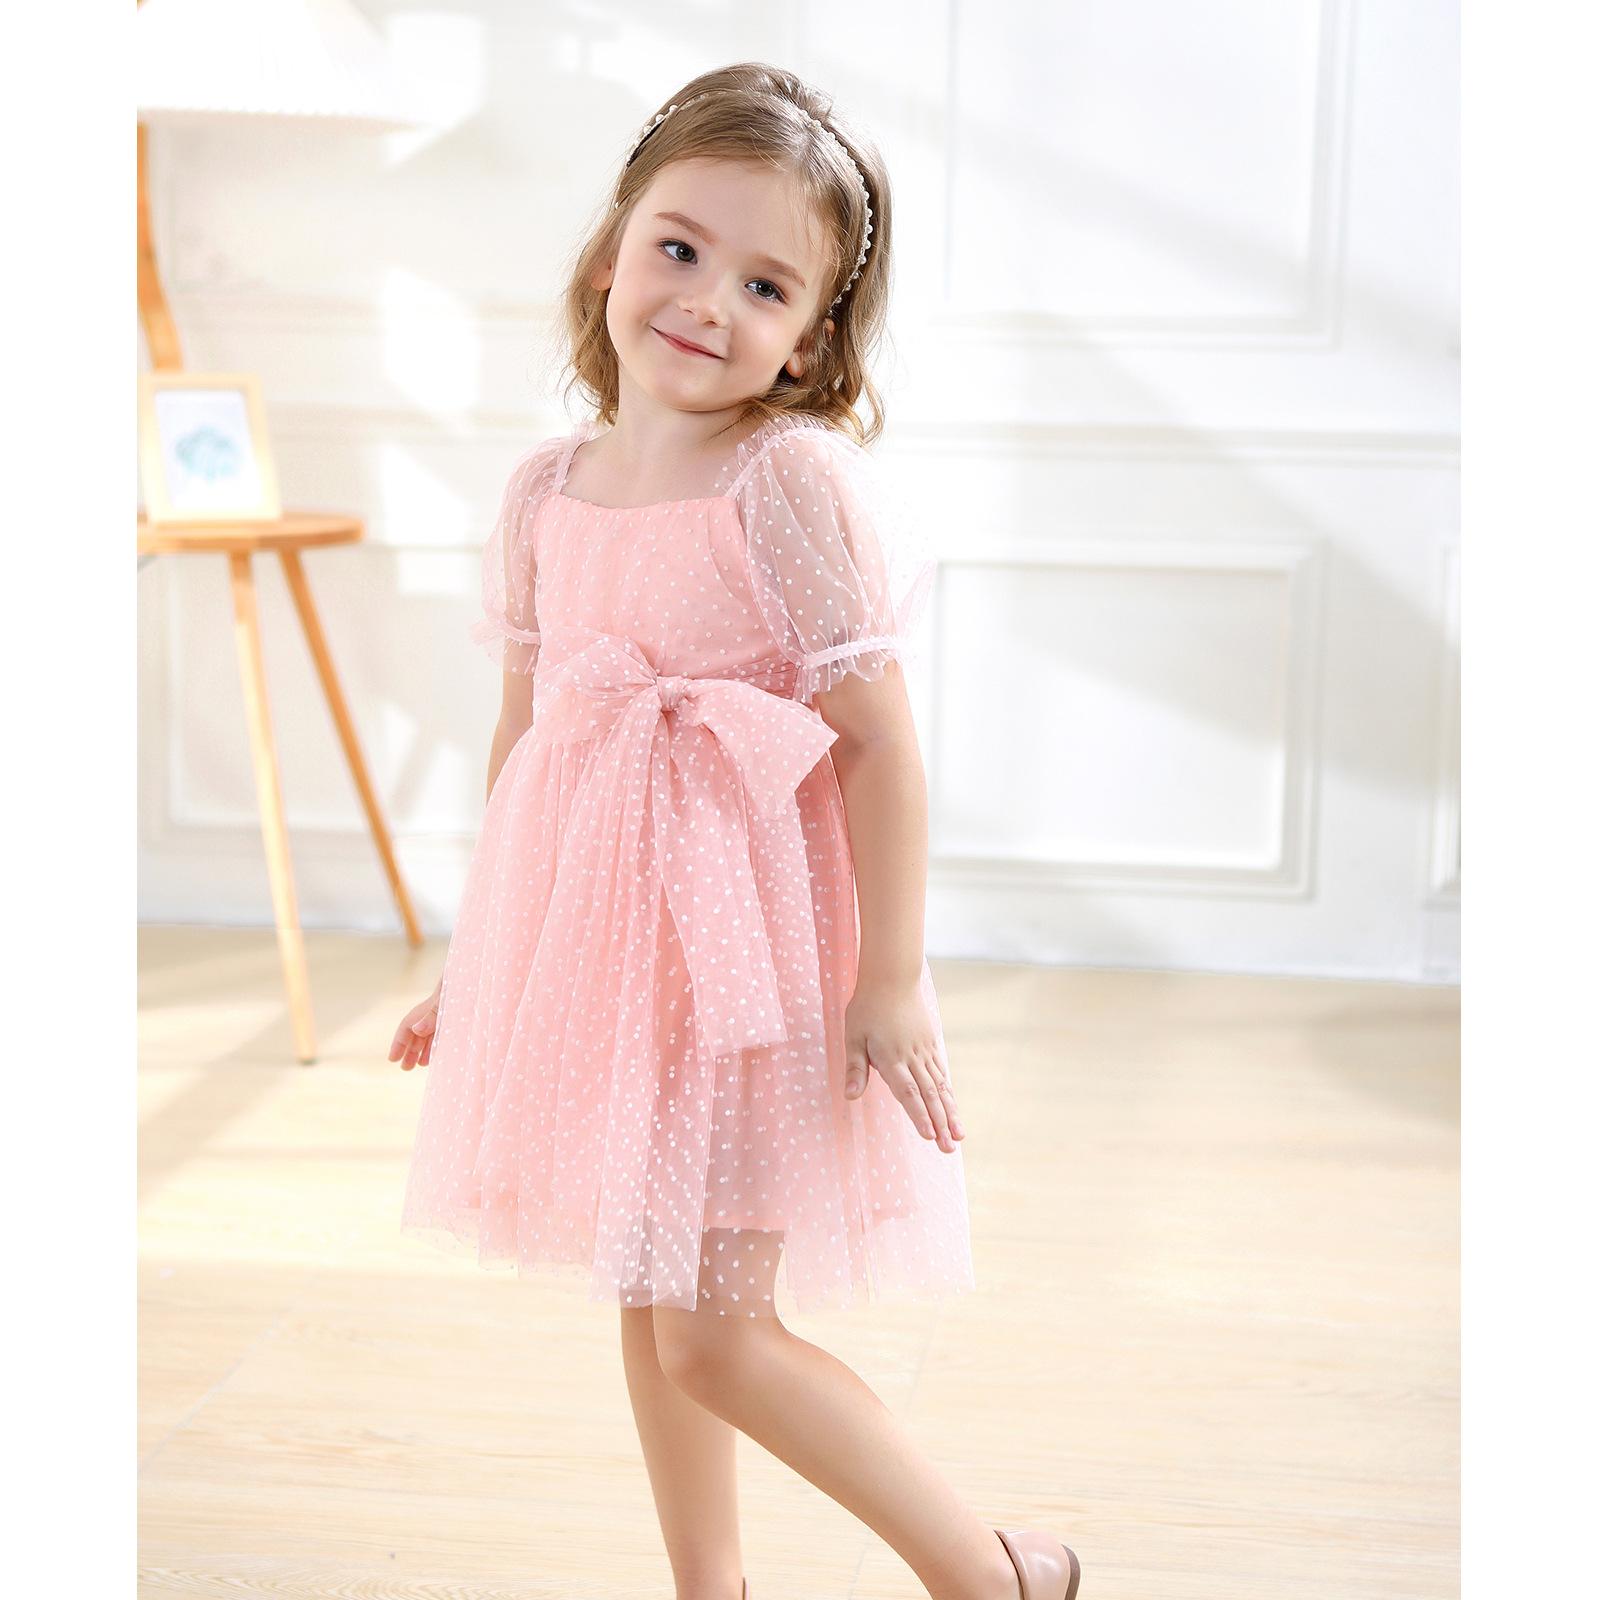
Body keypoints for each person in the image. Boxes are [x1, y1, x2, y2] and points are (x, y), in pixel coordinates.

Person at [387, 62, 1082, 1600]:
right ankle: (712, 1586)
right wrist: (479, 958)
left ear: (811, 338)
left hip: (755, 958)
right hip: (611, 958)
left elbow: (880, 744)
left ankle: (990, 1575)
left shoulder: (786, 484)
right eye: (681, 249)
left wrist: (888, 978)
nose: (709, 301)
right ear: (609, 252)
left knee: (714, 1332)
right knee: (654, 1308)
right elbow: (525, 747)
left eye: (766, 285)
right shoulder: (545, 493)